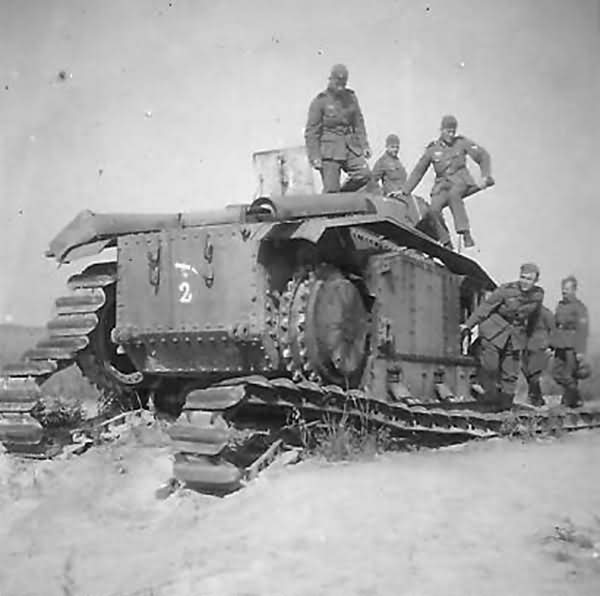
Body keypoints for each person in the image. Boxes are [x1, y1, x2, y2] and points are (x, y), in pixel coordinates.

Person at [401, 114, 494, 248]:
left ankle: (465, 234)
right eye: (448, 131)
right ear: (442, 130)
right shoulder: (433, 149)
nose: (451, 134)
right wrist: (405, 191)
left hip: (460, 181)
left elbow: (483, 155)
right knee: (433, 209)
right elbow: (418, 171)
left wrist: (485, 175)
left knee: (454, 195)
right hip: (442, 185)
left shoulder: (462, 143)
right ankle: (446, 242)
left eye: (453, 131)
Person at [460, 263, 544, 409]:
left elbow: (534, 317)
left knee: (510, 373)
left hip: (516, 335)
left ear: (535, 281)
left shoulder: (538, 295)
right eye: (523, 277)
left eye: (529, 279)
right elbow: (485, 308)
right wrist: (468, 324)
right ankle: (487, 391)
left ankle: (505, 407)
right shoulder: (506, 290)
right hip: (494, 332)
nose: (525, 282)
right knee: (490, 367)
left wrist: (529, 338)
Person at [372, 133, 454, 248]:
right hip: (395, 198)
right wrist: (383, 196)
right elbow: (372, 181)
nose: (395, 150)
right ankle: (414, 236)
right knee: (414, 212)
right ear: (387, 147)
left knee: (430, 209)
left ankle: (444, 240)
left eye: (397, 147)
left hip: (404, 194)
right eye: (392, 147)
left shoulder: (398, 162)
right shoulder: (382, 162)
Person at [304, 64, 371, 193]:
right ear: (331, 80)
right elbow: (312, 132)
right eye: (337, 82)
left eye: (343, 82)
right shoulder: (320, 101)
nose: (341, 85)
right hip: (329, 152)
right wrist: (315, 157)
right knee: (331, 190)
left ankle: (341, 195)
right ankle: (333, 200)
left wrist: (364, 145)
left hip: (350, 147)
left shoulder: (351, 98)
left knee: (364, 174)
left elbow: (358, 123)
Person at [550, 275, 590, 407]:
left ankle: (571, 401)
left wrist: (580, 351)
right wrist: (551, 343)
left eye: (567, 289)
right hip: (560, 344)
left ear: (574, 290)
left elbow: (583, 330)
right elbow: (555, 325)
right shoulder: (560, 305)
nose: (564, 291)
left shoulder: (579, 307)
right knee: (556, 373)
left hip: (572, 346)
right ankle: (574, 395)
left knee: (569, 374)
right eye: (563, 288)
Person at [521, 305, 555, 406]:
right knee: (526, 371)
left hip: (541, 347)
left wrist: (551, 346)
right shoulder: (525, 312)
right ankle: (537, 398)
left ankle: (534, 399)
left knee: (534, 374)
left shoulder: (546, 313)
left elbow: (554, 330)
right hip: (527, 346)